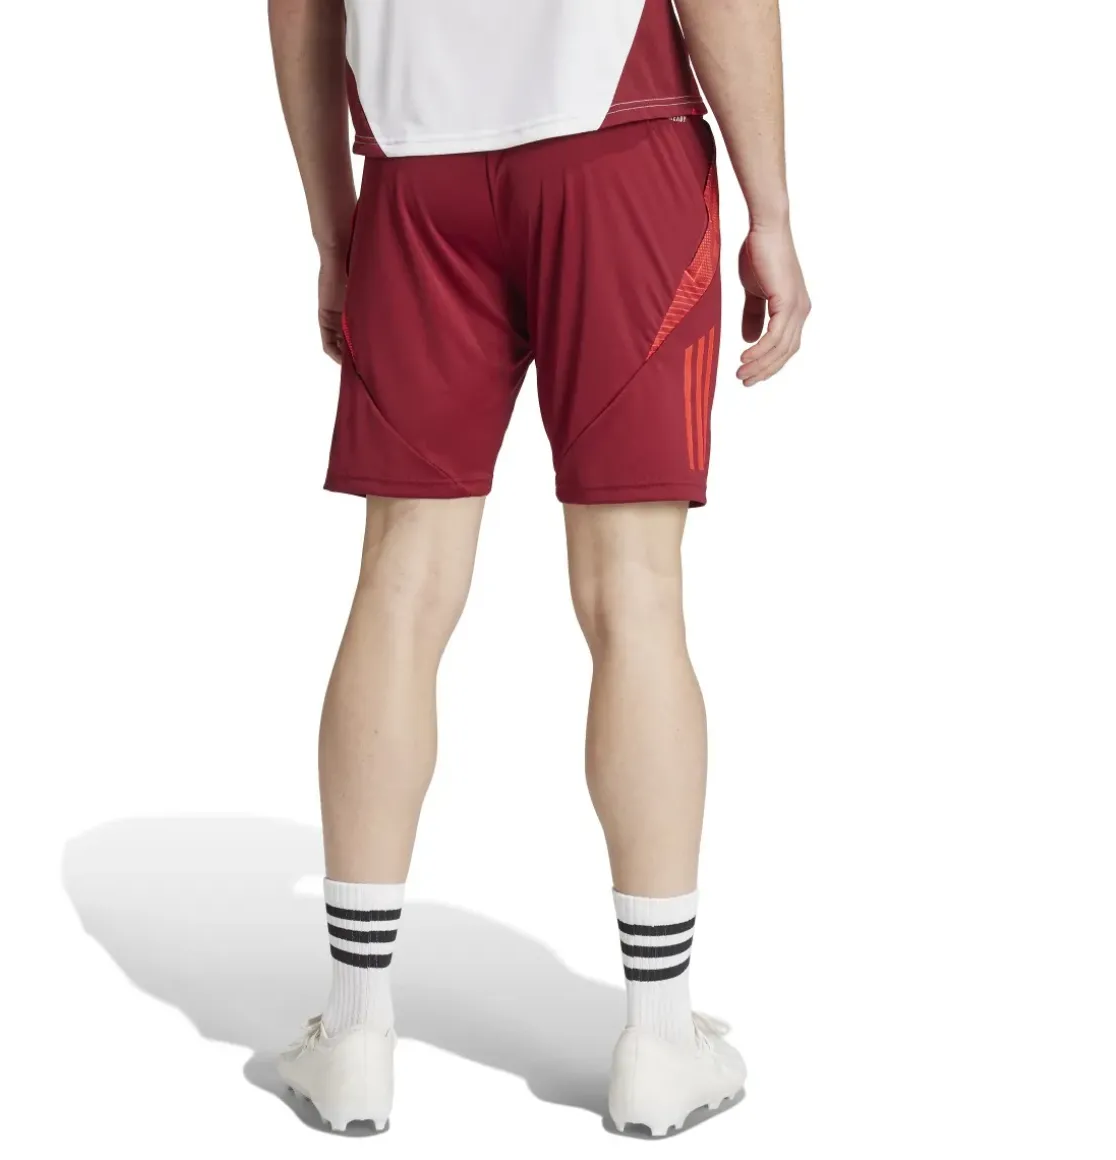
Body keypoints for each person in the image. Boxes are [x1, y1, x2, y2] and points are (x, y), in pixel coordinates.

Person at [268, 0, 810, 1137]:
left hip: (415, 171)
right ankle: (658, 1038)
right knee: (634, 595)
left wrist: (335, 227)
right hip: (618, 145)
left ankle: (355, 1032)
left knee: (400, 585)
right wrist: (772, 210)